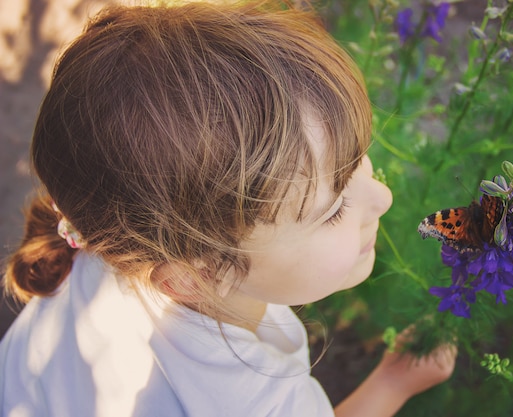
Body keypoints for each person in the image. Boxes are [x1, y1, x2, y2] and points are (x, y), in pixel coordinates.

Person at [0, 1, 456, 416]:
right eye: (333, 209)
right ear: (192, 277)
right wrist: (392, 384)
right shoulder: (259, 402)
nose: (384, 197)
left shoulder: (123, 234)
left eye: (357, 162)